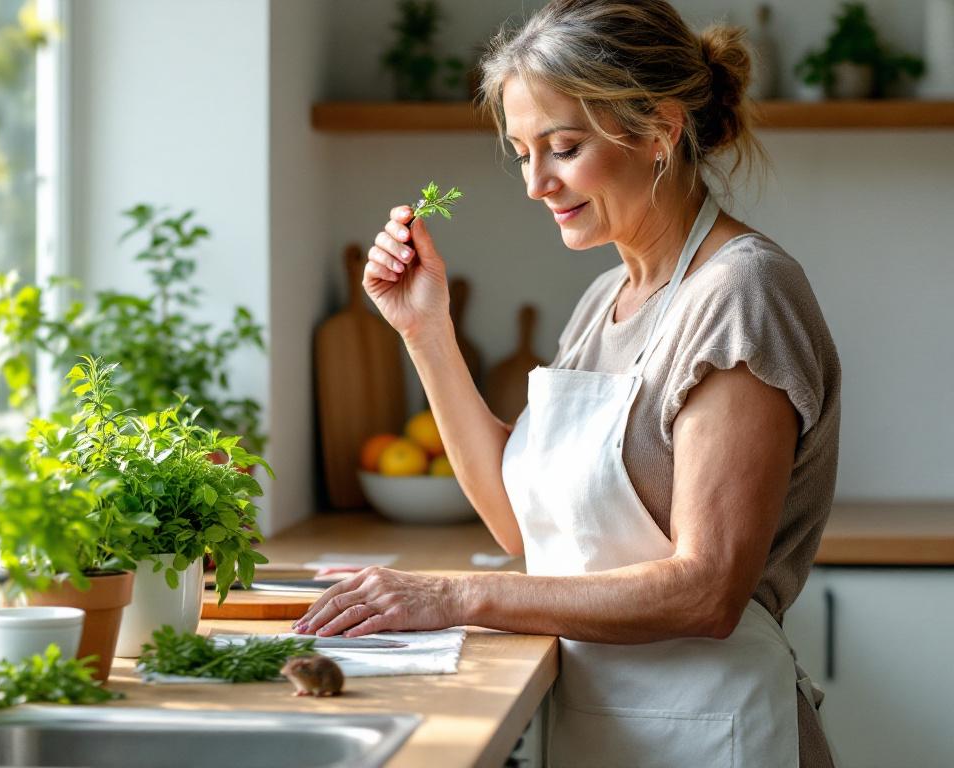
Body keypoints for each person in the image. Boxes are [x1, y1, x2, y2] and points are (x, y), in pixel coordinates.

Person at [293, 1, 841, 765]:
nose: (535, 183)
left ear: (659, 130)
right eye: (523, 152)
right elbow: (525, 533)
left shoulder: (741, 295)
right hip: (605, 724)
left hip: (718, 734)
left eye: (563, 147)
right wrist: (426, 331)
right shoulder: (602, 303)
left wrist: (451, 596)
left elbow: (706, 590)